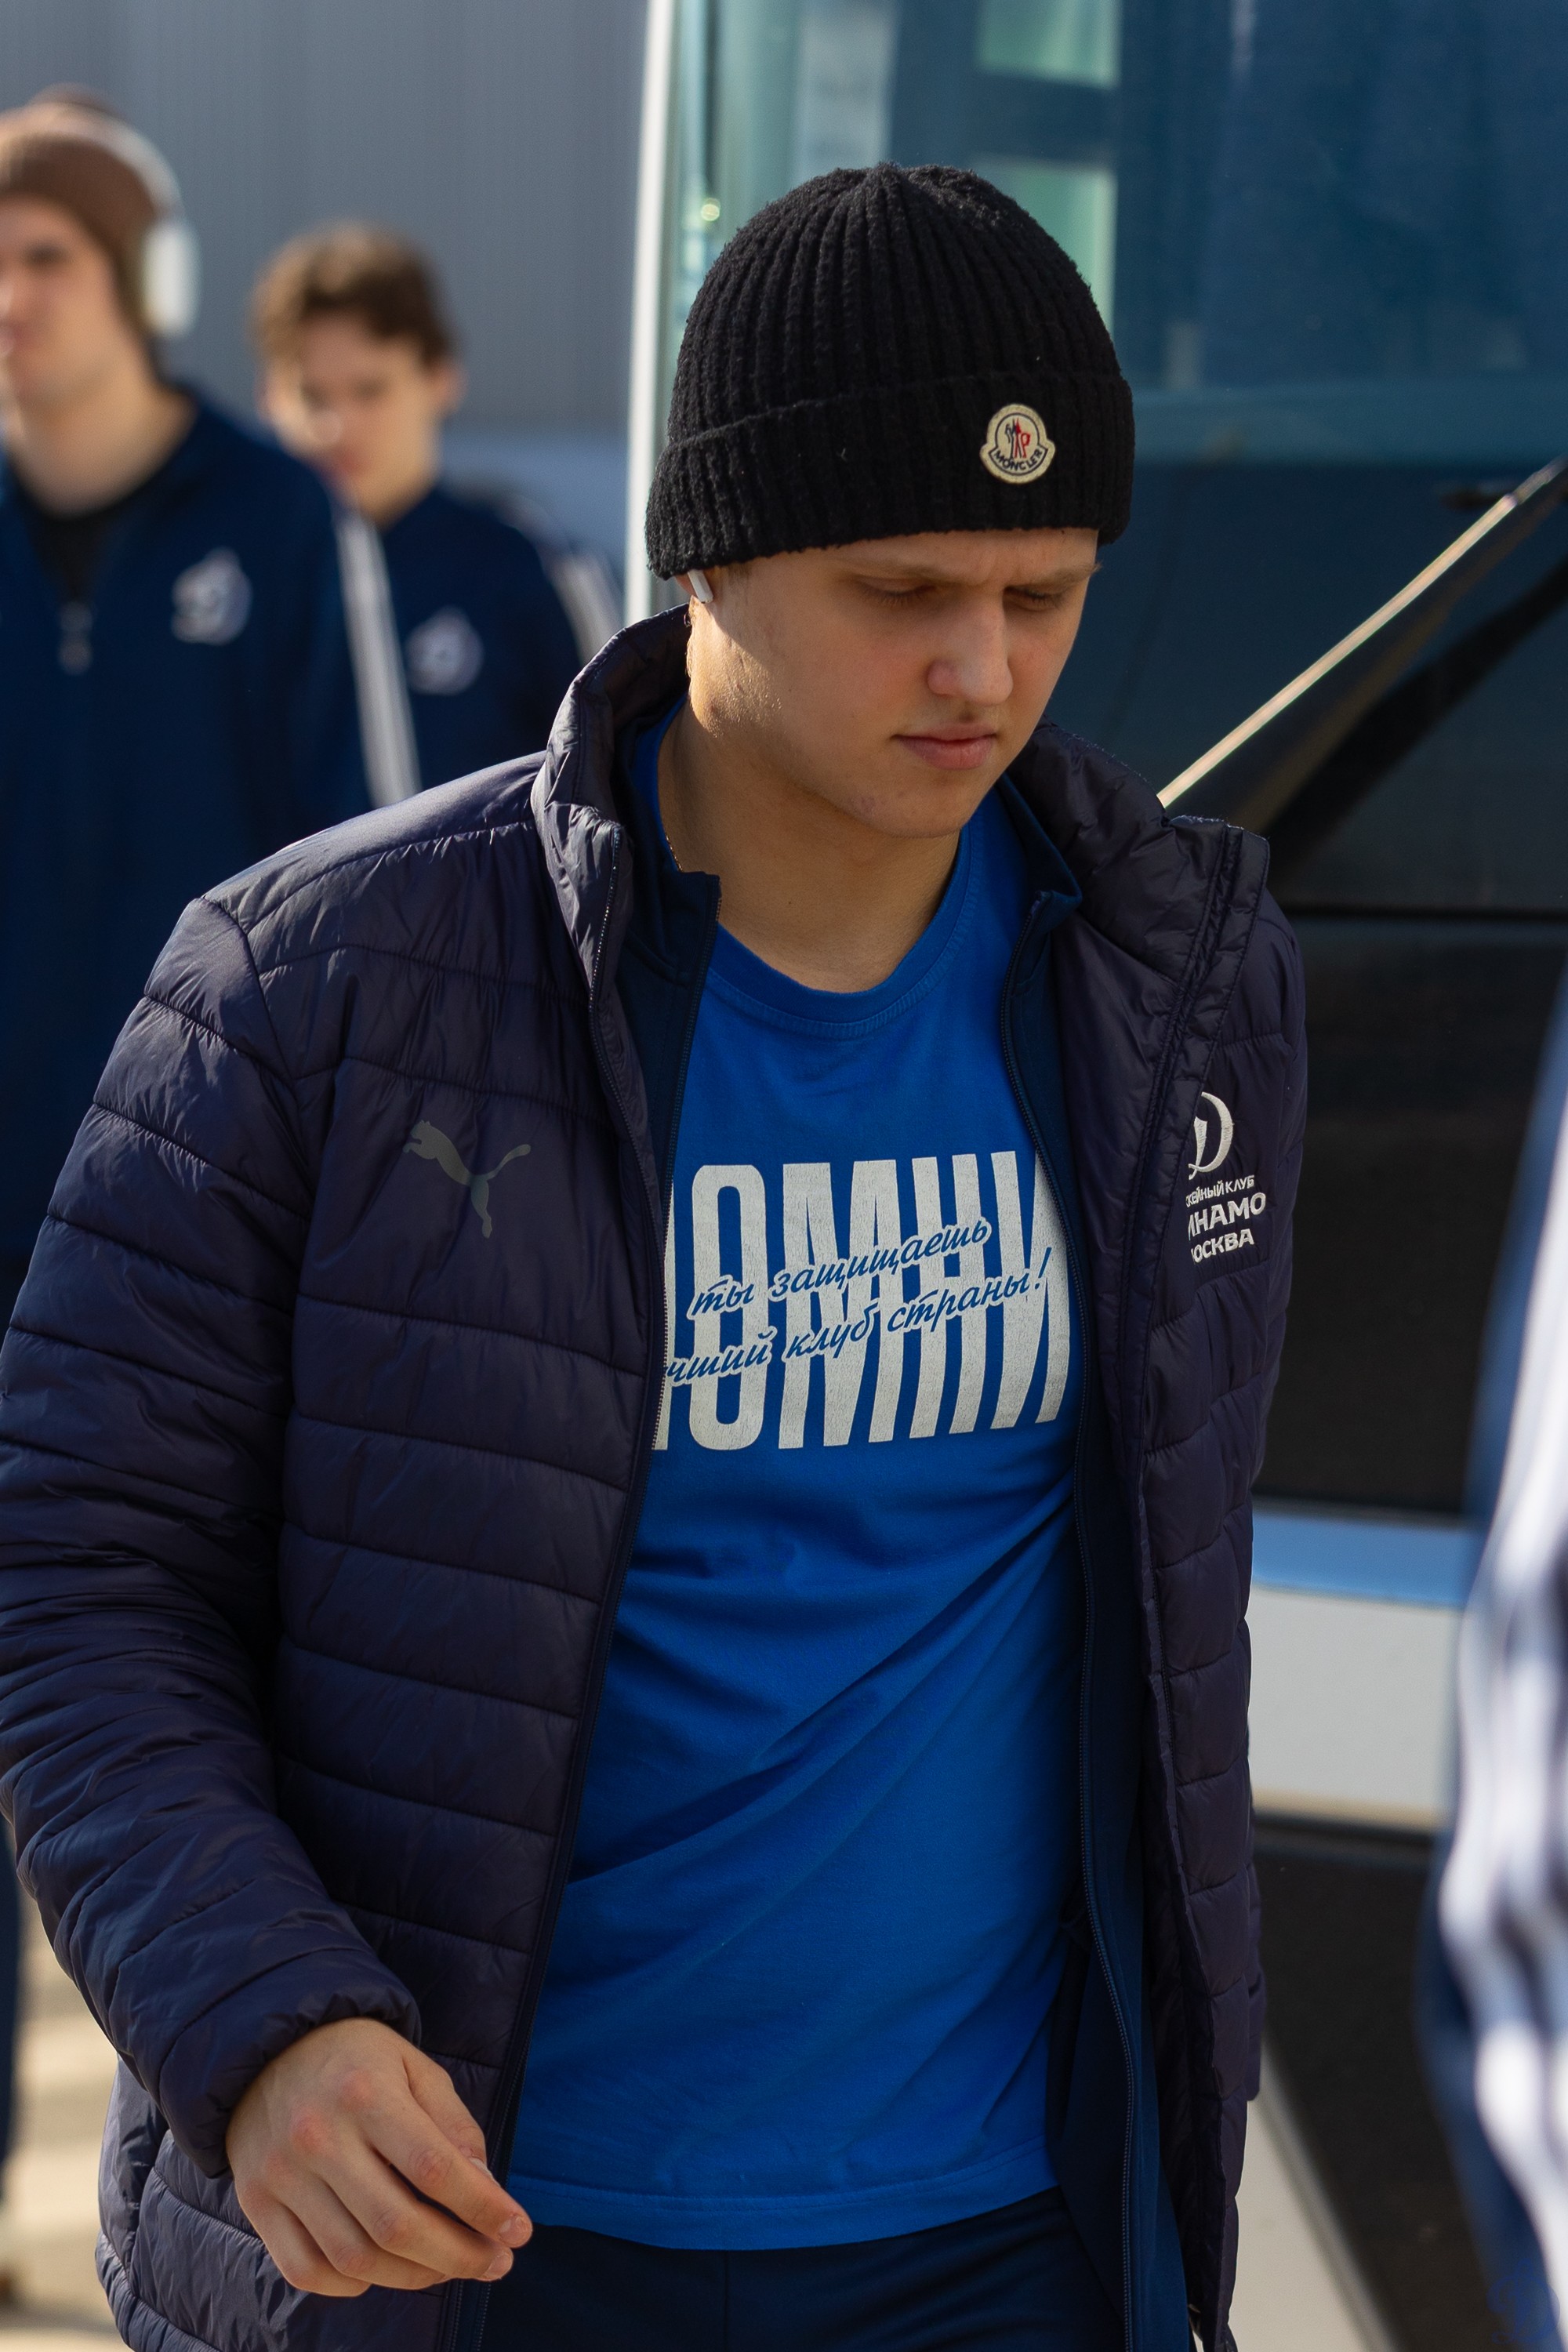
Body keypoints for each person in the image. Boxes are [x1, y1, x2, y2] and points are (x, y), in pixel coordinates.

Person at [0, 166, 1305, 2352]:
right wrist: (259, 2020)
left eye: (1045, 590)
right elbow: (75, 1568)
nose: (982, 667)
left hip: (1014, 2247)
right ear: (704, 552)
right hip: (481, 2255)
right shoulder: (316, 985)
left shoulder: (1182, 980)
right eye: (901, 589)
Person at [0, 89, 365, 2301]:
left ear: (131, 281)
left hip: (187, 1256)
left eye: (40, 253)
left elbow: (356, 903)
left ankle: (235, 2223)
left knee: (175, 1746)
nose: (4, 296)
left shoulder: (272, 522)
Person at [252, 223, 587, 803]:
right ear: (270, 399)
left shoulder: (531, 567)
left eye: (370, 390)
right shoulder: (238, 588)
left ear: (440, 380)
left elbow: (612, 793)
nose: (337, 426)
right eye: (312, 396)